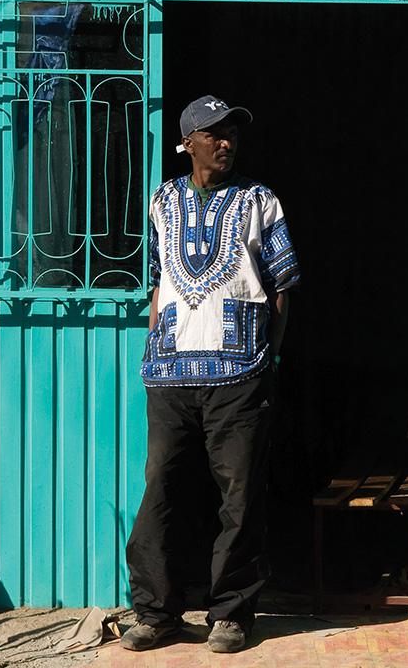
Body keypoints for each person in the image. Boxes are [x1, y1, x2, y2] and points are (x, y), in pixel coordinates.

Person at [122, 94, 300, 655]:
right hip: (169, 374)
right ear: (188, 142)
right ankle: (155, 613)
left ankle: (230, 614)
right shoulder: (163, 200)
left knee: (239, 496)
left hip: (241, 372)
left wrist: (269, 358)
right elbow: (159, 283)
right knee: (162, 492)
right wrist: (155, 343)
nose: (226, 142)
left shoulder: (258, 201)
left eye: (231, 133)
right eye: (214, 133)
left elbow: (281, 289)